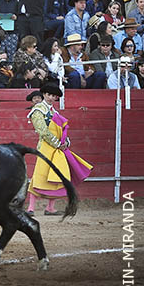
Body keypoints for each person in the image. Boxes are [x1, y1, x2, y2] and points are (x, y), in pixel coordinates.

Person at [26, 83, 92, 216]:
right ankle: (31, 208)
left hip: (56, 148)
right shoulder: (38, 110)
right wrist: (58, 143)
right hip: (45, 147)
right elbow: (42, 131)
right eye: (49, 95)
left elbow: (61, 130)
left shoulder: (53, 111)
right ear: (44, 94)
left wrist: (66, 141)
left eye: (54, 96)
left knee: (57, 176)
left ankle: (50, 208)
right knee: (40, 175)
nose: (51, 98)